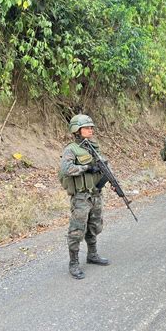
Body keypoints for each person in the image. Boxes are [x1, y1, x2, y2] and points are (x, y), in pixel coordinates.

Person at [59, 114, 109, 280]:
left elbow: (101, 164)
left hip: (95, 193)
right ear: (77, 130)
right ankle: (73, 263)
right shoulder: (71, 149)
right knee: (77, 230)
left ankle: (92, 255)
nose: (90, 130)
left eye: (91, 127)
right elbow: (67, 169)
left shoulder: (93, 147)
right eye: (87, 127)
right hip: (81, 196)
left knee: (94, 225)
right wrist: (86, 168)